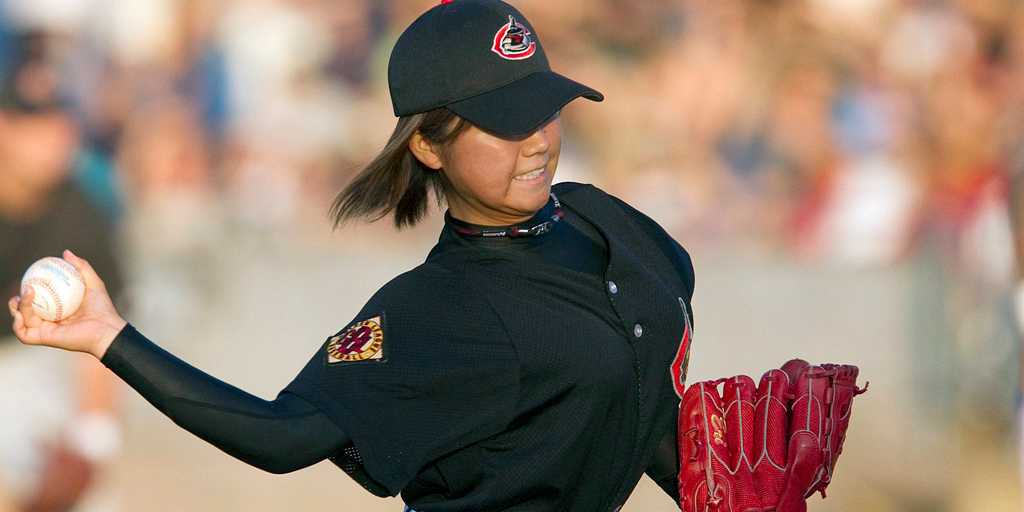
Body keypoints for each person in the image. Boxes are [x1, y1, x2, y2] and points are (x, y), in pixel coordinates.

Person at [8, 1, 693, 510]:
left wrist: (715, 481)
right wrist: (112, 338)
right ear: (429, 146)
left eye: (544, 107)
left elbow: (644, 405)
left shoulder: (611, 223)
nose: (539, 139)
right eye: (504, 124)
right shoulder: (432, 310)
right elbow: (281, 437)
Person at [0, 40, 124, 512]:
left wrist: (92, 444)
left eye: (62, 123)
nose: (57, 139)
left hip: (31, 364)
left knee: (89, 498)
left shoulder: (83, 212)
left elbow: (100, 338)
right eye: (38, 125)